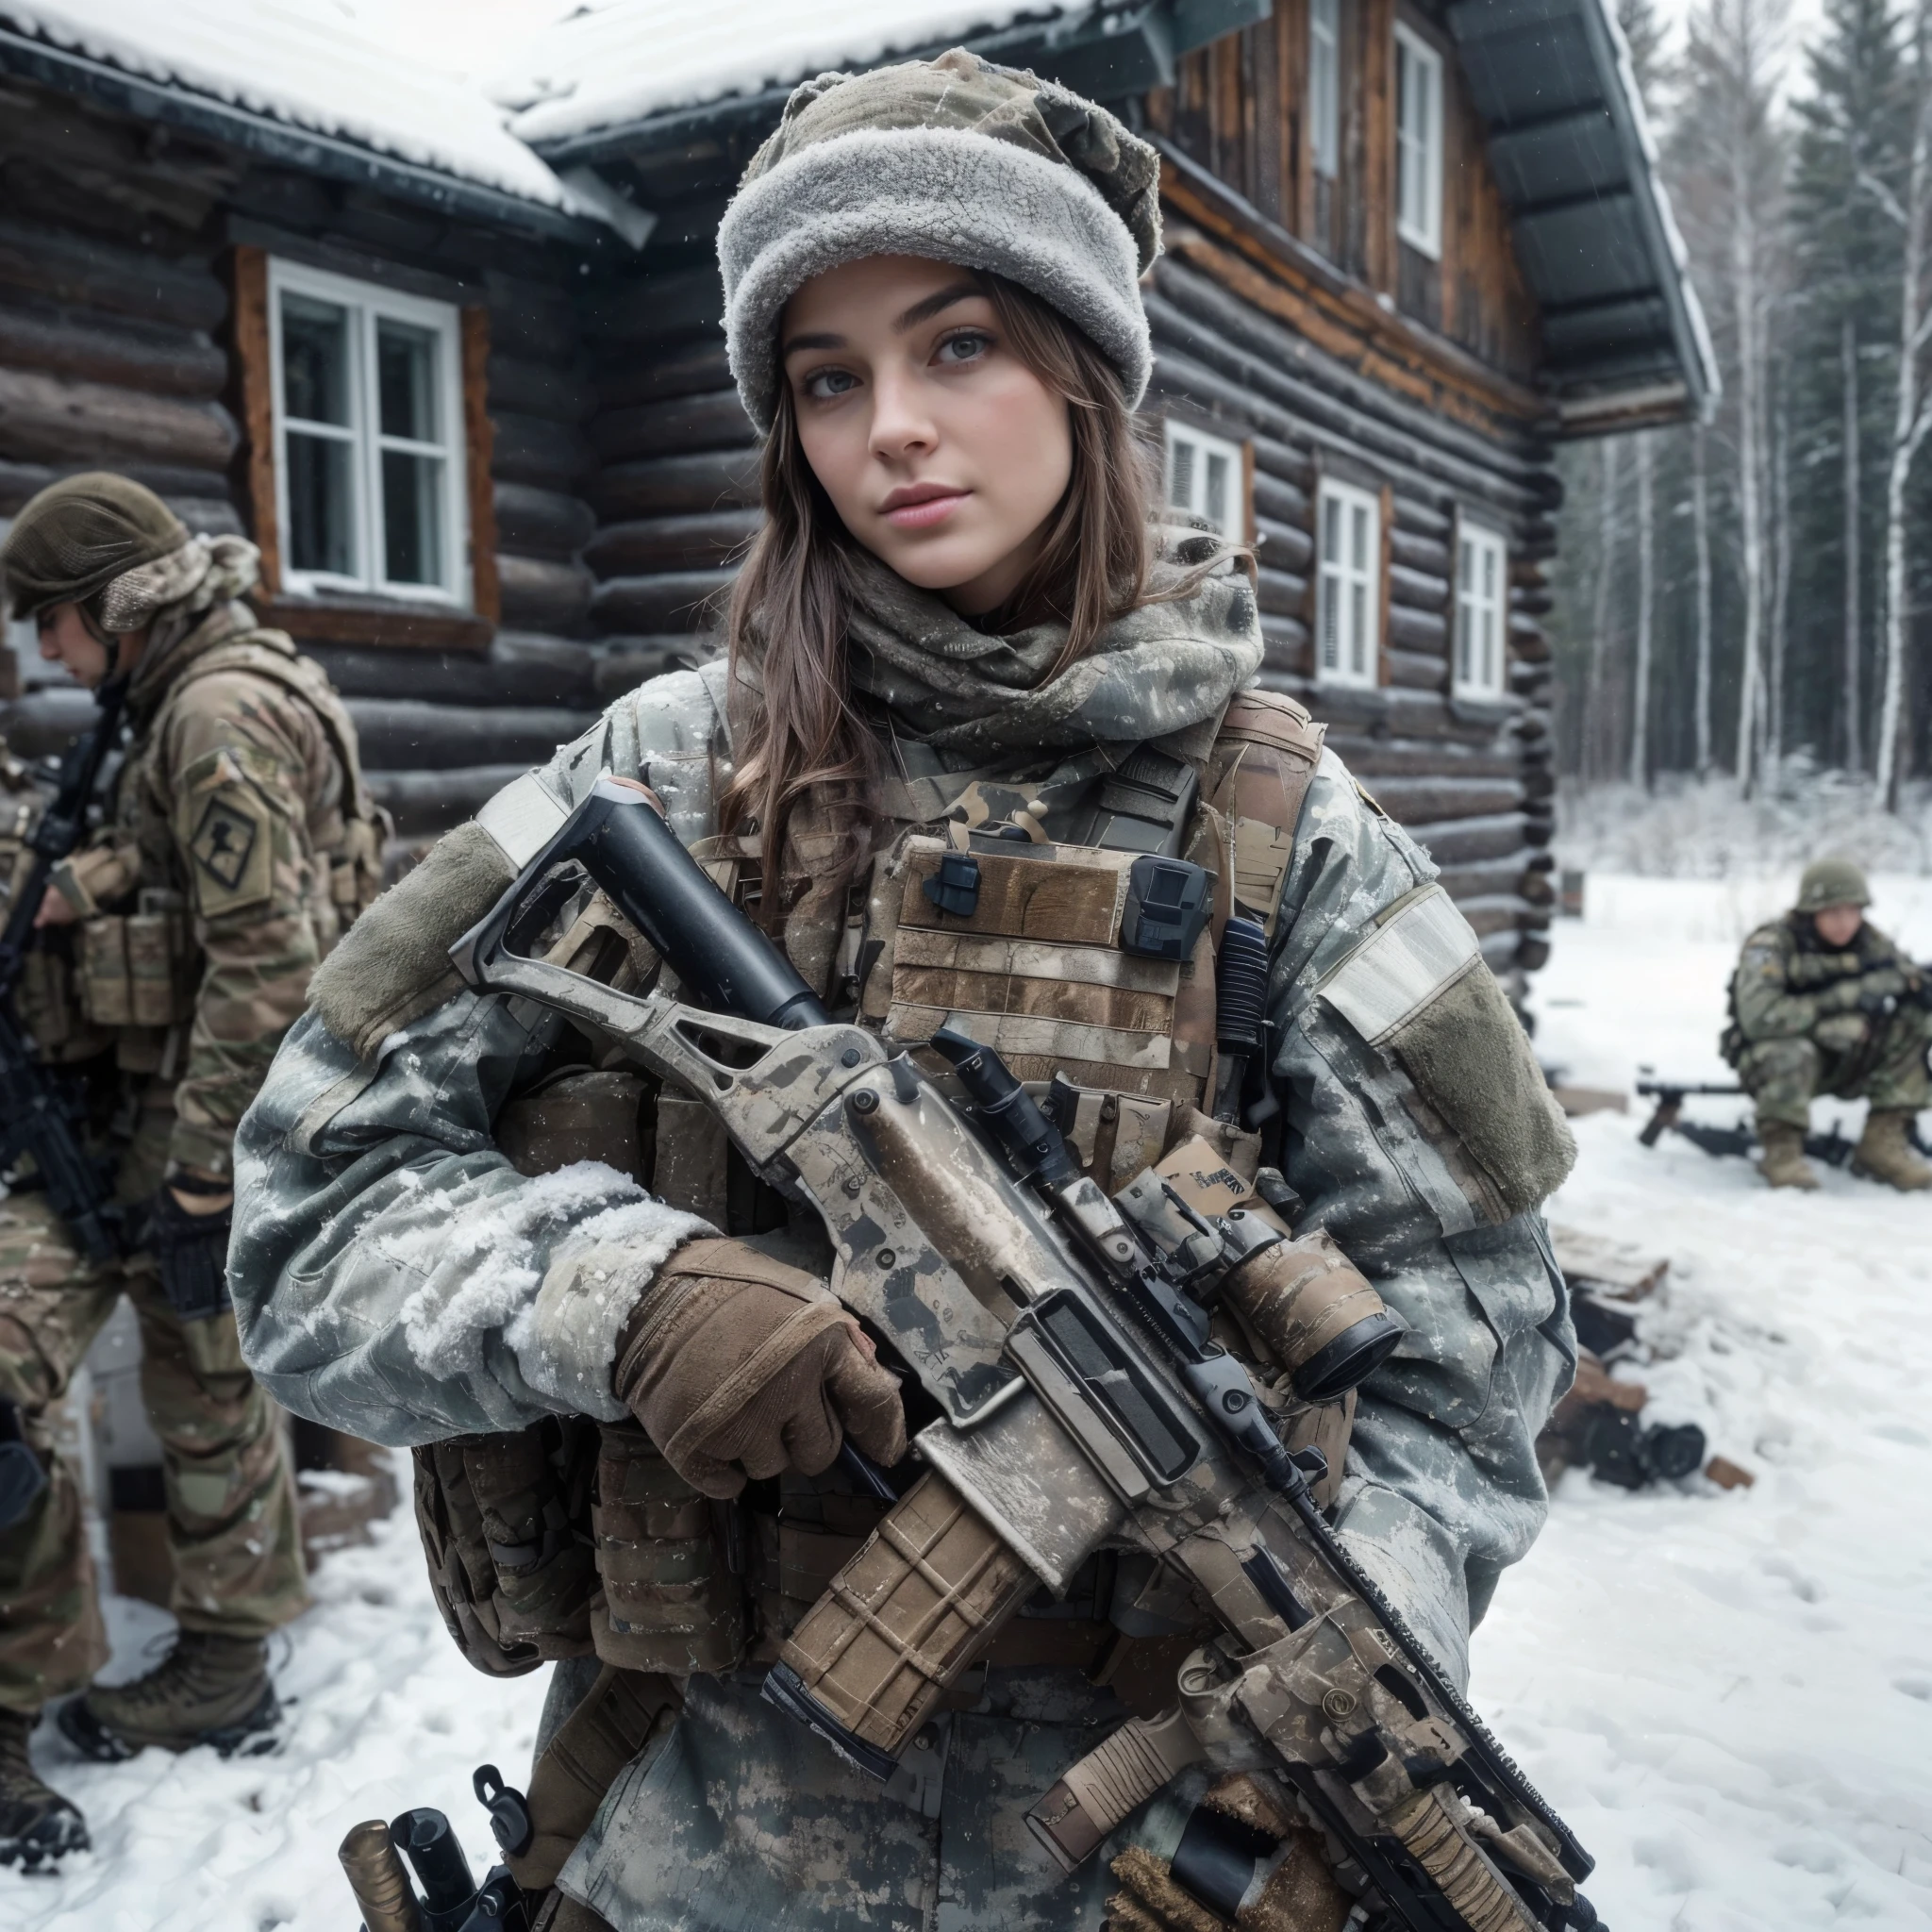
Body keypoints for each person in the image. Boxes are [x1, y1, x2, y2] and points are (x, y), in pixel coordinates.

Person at [230, 53, 1580, 1932]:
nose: (894, 431)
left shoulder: (1288, 838)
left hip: (1124, 1872)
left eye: (959, 347)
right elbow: (302, 1206)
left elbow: (1475, 1365)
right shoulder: (664, 780)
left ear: (1083, 372)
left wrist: (1326, 1702)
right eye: (828, 376)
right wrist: (616, 1294)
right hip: (685, 1841)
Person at [0, 475, 385, 1867]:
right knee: (194, 1374)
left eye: (53, 623)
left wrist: (205, 1177)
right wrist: (87, 891)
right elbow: (201, 879)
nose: (46, 655)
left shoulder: (213, 713)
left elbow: (269, 965)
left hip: (204, 1114)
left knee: (208, 1378)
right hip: (190, 1106)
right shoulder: (193, 695)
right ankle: (197, 1668)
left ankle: (224, 1669)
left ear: (115, 606)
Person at [1724, 856, 1932, 1191]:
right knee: (1791, 1050)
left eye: (1854, 911)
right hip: (1773, 1064)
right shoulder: (1768, 946)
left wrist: (1915, 986)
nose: (1845, 922)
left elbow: (1904, 975)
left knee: (1915, 1022)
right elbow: (1760, 1018)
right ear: (1810, 911)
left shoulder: (1872, 943)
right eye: (1834, 912)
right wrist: (1844, 1000)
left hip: (1847, 1059)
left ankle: (1882, 1144)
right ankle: (1781, 1152)